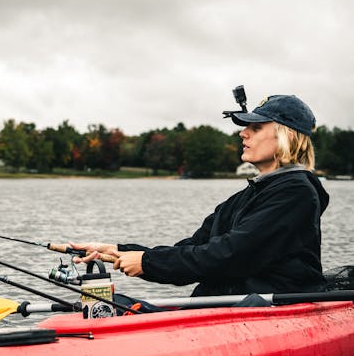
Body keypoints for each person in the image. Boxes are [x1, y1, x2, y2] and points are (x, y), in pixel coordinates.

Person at [70, 92, 329, 296]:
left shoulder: (296, 194)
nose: (243, 132)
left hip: (266, 314)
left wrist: (147, 262)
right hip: (229, 309)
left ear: (286, 136)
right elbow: (194, 249)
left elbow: (229, 255)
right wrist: (117, 250)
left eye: (257, 128)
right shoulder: (244, 198)